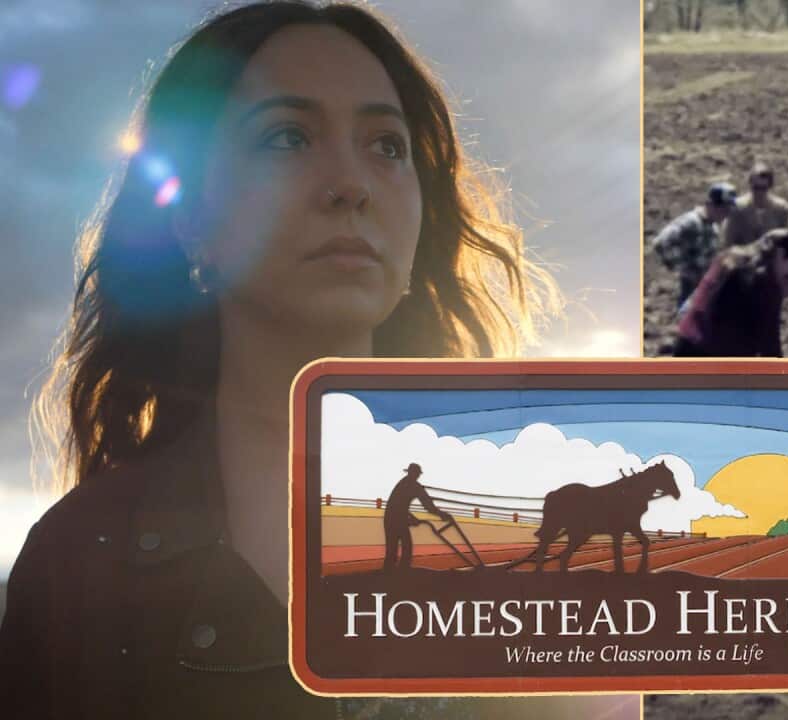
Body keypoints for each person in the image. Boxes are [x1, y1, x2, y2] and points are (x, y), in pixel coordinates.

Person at [0, 4, 642, 719]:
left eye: (387, 146)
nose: (351, 184)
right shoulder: (77, 566)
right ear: (190, 222)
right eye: (287, 138)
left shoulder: (537, 514)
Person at [673, 228, 788, 357]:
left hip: (686, 343)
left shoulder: (727, 258)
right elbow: (769, 341)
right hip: (719, 359)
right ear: (780, 254)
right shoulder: (765, 282)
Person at [650, 181, 737, 310]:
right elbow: (661, 243)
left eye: (729, 209)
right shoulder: (691, 222)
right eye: (724, 209)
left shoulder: (713, 225)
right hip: (691, 287)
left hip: (705, 285)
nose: (726, 214)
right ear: (711, 205)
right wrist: (683, 266)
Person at [383, 462, 450, 572]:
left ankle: (390, 574)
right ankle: (400, 573)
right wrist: (442, 514)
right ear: (412, 473)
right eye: (416, 474)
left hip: (391, 518)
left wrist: (411, 518)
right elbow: (427, 505)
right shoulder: (413, 486)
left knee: (394, 549)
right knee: (405, 548)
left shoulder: (404, 483)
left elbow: (399, 506)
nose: (416, 476)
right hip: (395, 519)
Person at [721, 162, 788, 247]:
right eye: (756, 188)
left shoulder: (781, 209)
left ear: (770, 186)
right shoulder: (737, 208)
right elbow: (728, 242)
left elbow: (786, 242)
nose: (759, 192)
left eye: (763, 188)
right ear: (750, 184)